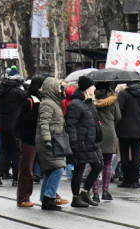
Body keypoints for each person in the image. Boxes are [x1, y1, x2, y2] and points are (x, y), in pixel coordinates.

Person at [65, 76, 103, 208]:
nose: (95, 88)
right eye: (92, 86)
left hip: (92, 142)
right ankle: (76, 197)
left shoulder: (89, 102)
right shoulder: (76, 104)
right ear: (87, 88)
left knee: (98, 165)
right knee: (79, 169)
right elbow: (71, 125)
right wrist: (74, 142)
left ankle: (85, 192)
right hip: (81, 142)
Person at [35, 77, 67, 211]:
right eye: (58, 88)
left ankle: (46, 198)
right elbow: (44, 123)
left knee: (51, 169)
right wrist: (47, 140)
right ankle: (49, 197)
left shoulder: (52, 102)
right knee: (58, 167)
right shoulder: (48, 104)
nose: (60, 90)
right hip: (49, 141)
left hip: (54, 139)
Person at [0, 72, 26, 185]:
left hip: (3, 124)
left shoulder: (0, 91)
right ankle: (16, 178)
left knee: (5, 150)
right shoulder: (16, 92)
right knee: (16, 152)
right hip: (15, 125)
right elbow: (26, 95)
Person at [115, 77, 140, 188]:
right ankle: (135, 180)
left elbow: (119, 110)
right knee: (136, 155)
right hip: (139, 127)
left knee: (124, 156)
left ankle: (126, 180)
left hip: (124, 127)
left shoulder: (123, 93)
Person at [15, 76, 44, 207]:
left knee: (51, 167)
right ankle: (23, 197)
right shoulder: (30, 101)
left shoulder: (42, 100)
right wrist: (38, 118)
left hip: (39, 137)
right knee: (27, 169)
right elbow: (23, 120)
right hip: (29, 139)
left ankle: (51, 194)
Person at [93, 84, 121, 201]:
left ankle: (94, 193)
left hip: (95, 133)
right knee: (108, 162)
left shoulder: (91, 101)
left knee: (94, 164)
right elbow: (118, 117)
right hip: (110, 133)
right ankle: (105, 191)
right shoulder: (113, 101)